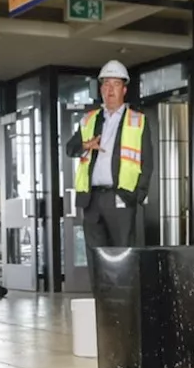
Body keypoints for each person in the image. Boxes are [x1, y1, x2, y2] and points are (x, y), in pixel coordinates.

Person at [63, 59, 156, 272]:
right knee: (96, 258)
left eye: (115, 84)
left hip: (121, 197)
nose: (109, 89)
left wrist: (135, 196)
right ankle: (101, 301)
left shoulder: (137, 120)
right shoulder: (90, 120)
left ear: (124, 89)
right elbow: (70, 148)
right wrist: (87, 144)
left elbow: (147, 162)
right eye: (105, 84)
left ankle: (123, 302)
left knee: (123, 257)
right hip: (92, 199)